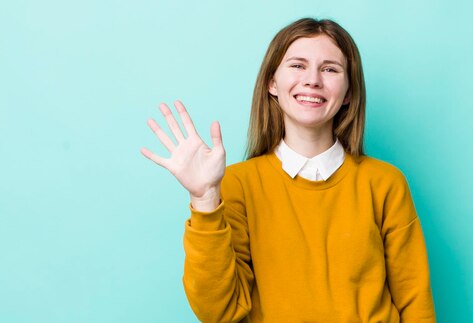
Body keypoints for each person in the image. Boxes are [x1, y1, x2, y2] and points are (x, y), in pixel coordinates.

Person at [141, 18, 436, 322]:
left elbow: (416, 301)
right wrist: (203, 199)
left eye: (330, 69)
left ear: (348, 92)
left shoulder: (385, 183)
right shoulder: (236, 185)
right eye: (297, 65)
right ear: (272, 83)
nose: (313, 80)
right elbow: (218, 311)